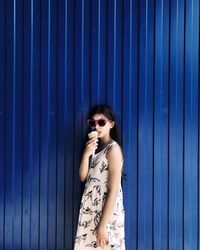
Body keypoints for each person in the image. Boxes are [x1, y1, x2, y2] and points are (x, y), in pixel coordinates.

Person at [74, 104, 125, 250]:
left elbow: (114, 190)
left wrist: (102, 226)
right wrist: (86, 153)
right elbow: (83, 177)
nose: (96, 126)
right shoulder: (94, 148)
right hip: (91, 208)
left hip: (106, 213)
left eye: (101, 122)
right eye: (92, 123)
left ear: (111, 124)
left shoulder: (113, 149)